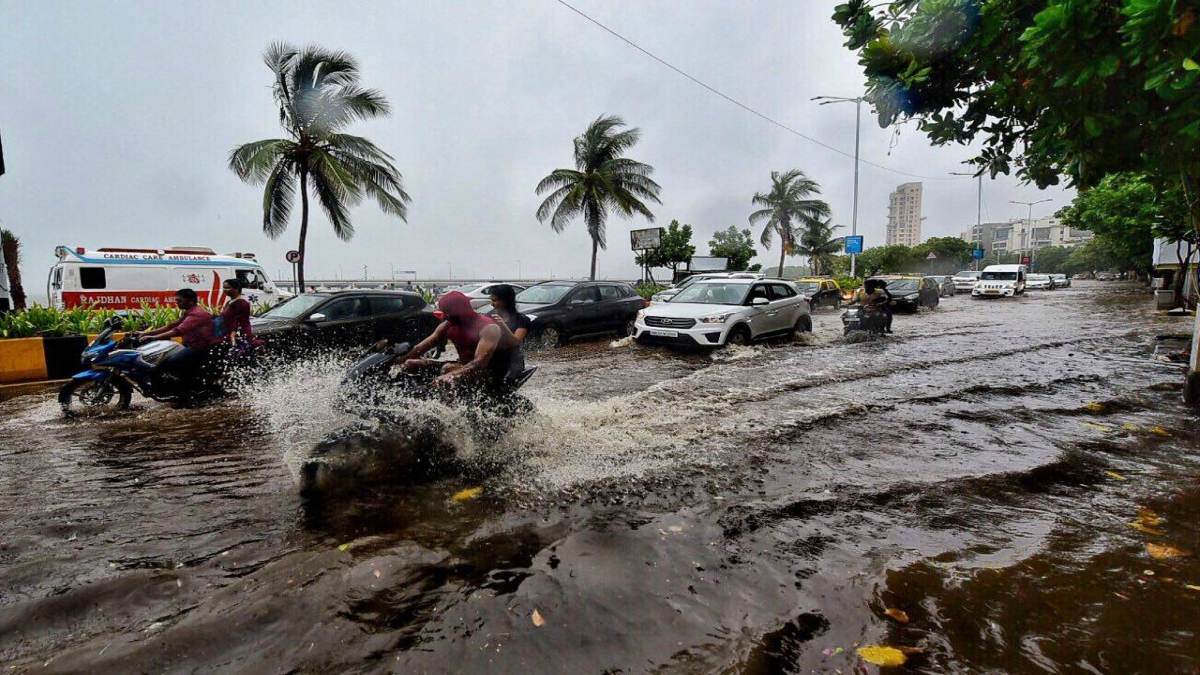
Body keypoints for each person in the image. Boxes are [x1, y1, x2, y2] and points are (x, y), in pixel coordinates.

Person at [398, 291, 518, 392]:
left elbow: (480, 362)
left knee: (447, 369)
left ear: (459, 311)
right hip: (461, 366)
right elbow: (420, 348)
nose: (444, 316)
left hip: (487, 372)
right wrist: (399, 360)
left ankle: (449, 416)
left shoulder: (488, 328)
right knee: (410, 363)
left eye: (447, 313)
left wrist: (451, 375)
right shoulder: (447, 326)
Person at [135, 288, 221, 386]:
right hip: (190, 345)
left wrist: (153, 337)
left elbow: (177, 331)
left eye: (179, 300)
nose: (177, 303)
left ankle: (186, 388)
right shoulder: (188, 312)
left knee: (172, 362)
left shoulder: (197, 314)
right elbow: (171, 326)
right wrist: (145, 333)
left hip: (199, 348)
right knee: (164, 358)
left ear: (190, 301)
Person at [486, 284, 530, 376]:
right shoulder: (488, 317)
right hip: (492, 360)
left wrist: (503, 326)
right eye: (491, 300)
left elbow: (516, 342)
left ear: (506, 300)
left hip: (512, 362)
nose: (492, 303)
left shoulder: (521, 319)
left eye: (495, 300)